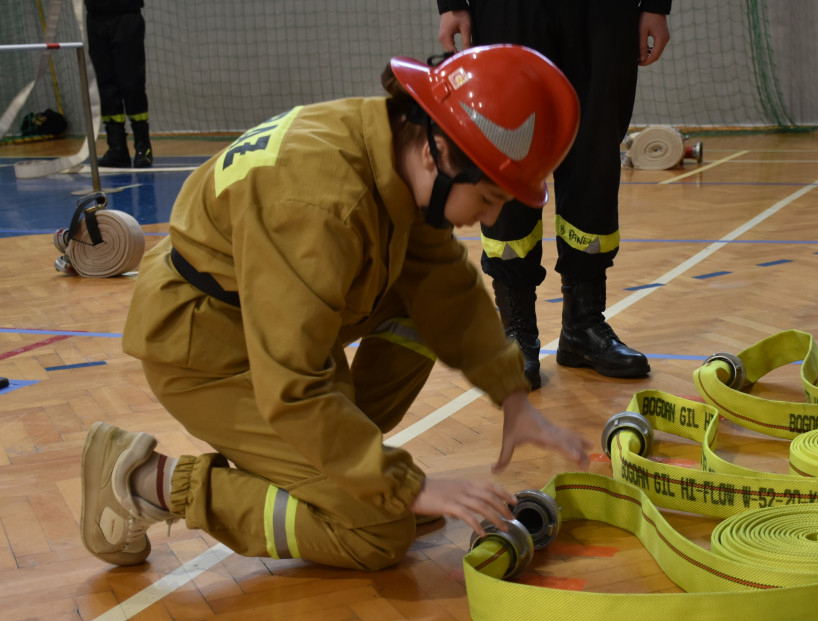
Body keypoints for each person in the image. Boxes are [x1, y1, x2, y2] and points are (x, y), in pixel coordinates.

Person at [79, 45, 591, 571]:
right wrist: (404, 488)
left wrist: (511, 397)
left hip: (259, 317)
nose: (490, 219)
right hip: (204, 350)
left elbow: (446, 287)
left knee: (422, 306)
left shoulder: (391, 141)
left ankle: (321, 472)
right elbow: (294, 387)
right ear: (436, 151)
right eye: (488, 199)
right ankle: (142, 481)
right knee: (376, 531)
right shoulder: (319, 205)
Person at [437, 1, 671, 389]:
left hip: (603, 13)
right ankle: (516, 331)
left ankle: (583, 326)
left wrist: (656, 5)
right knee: (508, 153)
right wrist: (451, 4)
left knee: (595, 161)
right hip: (507, 9)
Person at [85, 0, 153, 168]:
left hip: (126, 15)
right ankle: (117, 149)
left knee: (132, 84)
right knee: (105, 86)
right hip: (96, 18)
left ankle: (143, 147)